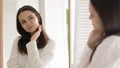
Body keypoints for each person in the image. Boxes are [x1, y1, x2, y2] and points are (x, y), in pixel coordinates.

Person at [77, 0, 120, 68]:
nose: (89, 18)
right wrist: (90, 45)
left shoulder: (110, 44)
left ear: (106, 16)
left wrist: (89, 46)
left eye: (92, 14)